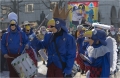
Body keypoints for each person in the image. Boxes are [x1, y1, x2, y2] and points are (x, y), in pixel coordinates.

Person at [30, 4, 76, 77]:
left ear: (60, 25)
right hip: (51, 66)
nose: (50, 28)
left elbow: (71, 55)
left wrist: (68, 69)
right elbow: (41, 45)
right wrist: (34, 39)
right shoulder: (49, 36)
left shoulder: (69, 38)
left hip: (61, 67)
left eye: (53, 26)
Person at [1, 12, 29, 78]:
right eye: (11, 25)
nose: (12, 26)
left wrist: (27, 45)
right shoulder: (6, 35)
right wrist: (4, 53)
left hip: (20, 56)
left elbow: (27, 41)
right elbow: (2, 44)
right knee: (12, 74)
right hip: (9, 57)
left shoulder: (21, 34)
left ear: (16, 25)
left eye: (13, 25)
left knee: (21, 74)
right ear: (9, 25)